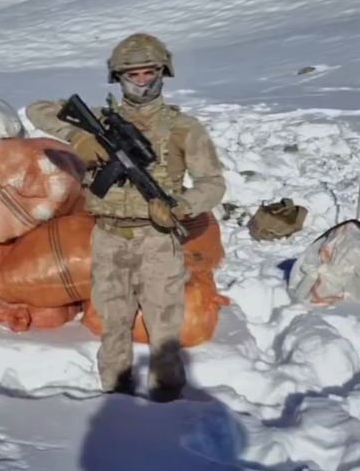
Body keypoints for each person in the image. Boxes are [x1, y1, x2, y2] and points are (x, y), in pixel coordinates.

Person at [25, 32, 226, 402]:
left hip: (157, 238)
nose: (141, 81)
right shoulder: (100, 120)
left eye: (148, 73)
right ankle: (114, 395)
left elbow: (213, 184)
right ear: (117, 78)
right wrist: (82, 139)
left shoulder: (184, 128)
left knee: (164, 325)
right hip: (109, 235)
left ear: (163, 72)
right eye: (131, 74)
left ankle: (167, 398)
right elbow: (37, 110)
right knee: (113, 320)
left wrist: (179, 207)